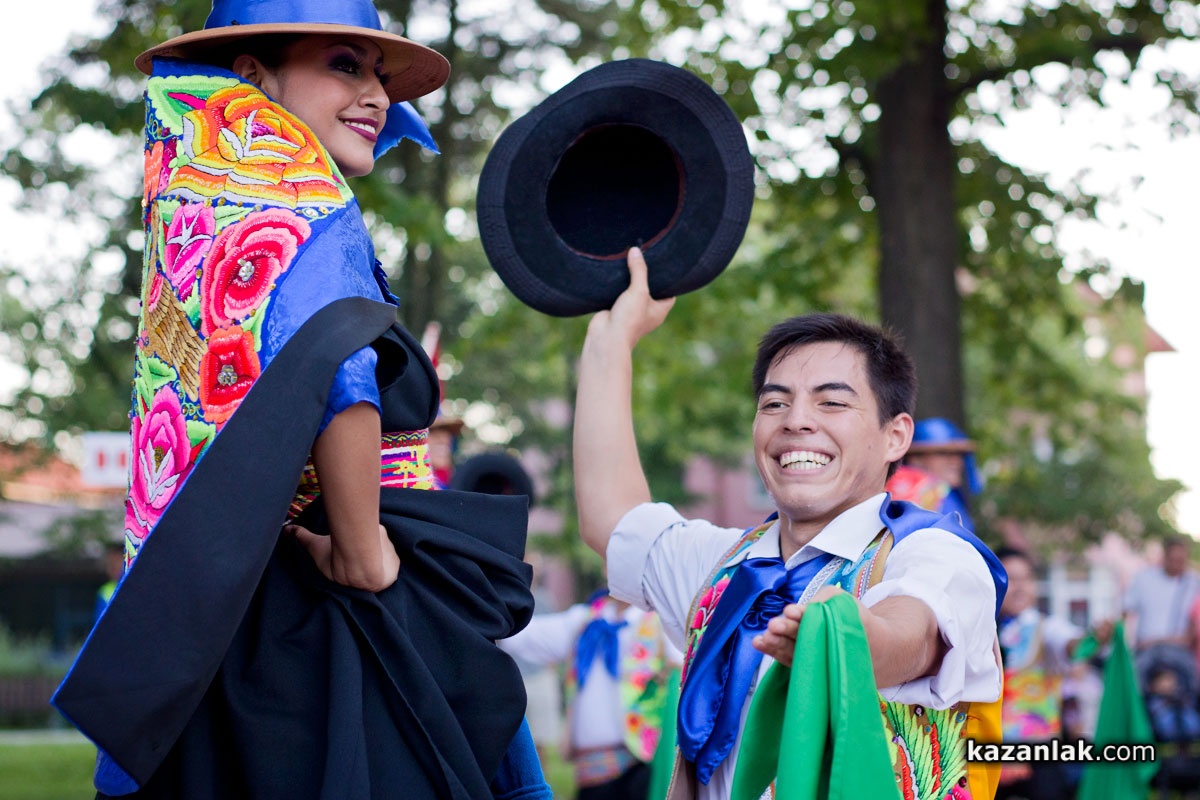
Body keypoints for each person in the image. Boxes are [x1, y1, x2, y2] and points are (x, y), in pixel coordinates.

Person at [52, 2, 546, 798]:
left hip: (205, 611)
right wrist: (362, 548)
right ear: (254, 75)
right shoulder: (303, 200)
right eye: (344, 65)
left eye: (379, 74)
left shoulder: (193, 200)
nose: (376, 95)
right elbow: (341, 358)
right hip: (326, 608)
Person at [573, 248, 1006, 800]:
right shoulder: (721, 569)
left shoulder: (934, 555)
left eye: (831, 403)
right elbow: (612, 519)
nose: (797, 421)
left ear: (895, 436)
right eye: (775, 404)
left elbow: (910, 634)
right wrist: (611, 339)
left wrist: (839, 637)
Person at [499, 587, 683, 800]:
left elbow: (686, 662)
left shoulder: (660, 624)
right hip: (591, 774)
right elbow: (519, 637)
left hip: (639, 767)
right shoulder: (584, 621)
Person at [993, 547, 1092, 800]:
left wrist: (1091, 641)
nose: (1020, 587)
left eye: (1026, 578)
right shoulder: (980, 630)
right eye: (1011, 578)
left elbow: (1070, 644)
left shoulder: (1047, 626)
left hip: (1039, 752)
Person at [1125, 537, 1200, 684]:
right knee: (1134, 680)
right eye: (1173, 560)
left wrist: (1158, 640)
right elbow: (1126, 612)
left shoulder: (1194, 582)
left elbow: (1191, 632)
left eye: (1180, 560)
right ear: (1165, 557)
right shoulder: (1144, 578)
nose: (1176, 565)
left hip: (1179, 651)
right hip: (1146, 650)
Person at [886, 416, 981, 530]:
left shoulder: (943, 491)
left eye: (959, 454)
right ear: (915, 459)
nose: (956, 462)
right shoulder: (930, 491)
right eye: (943, 453)